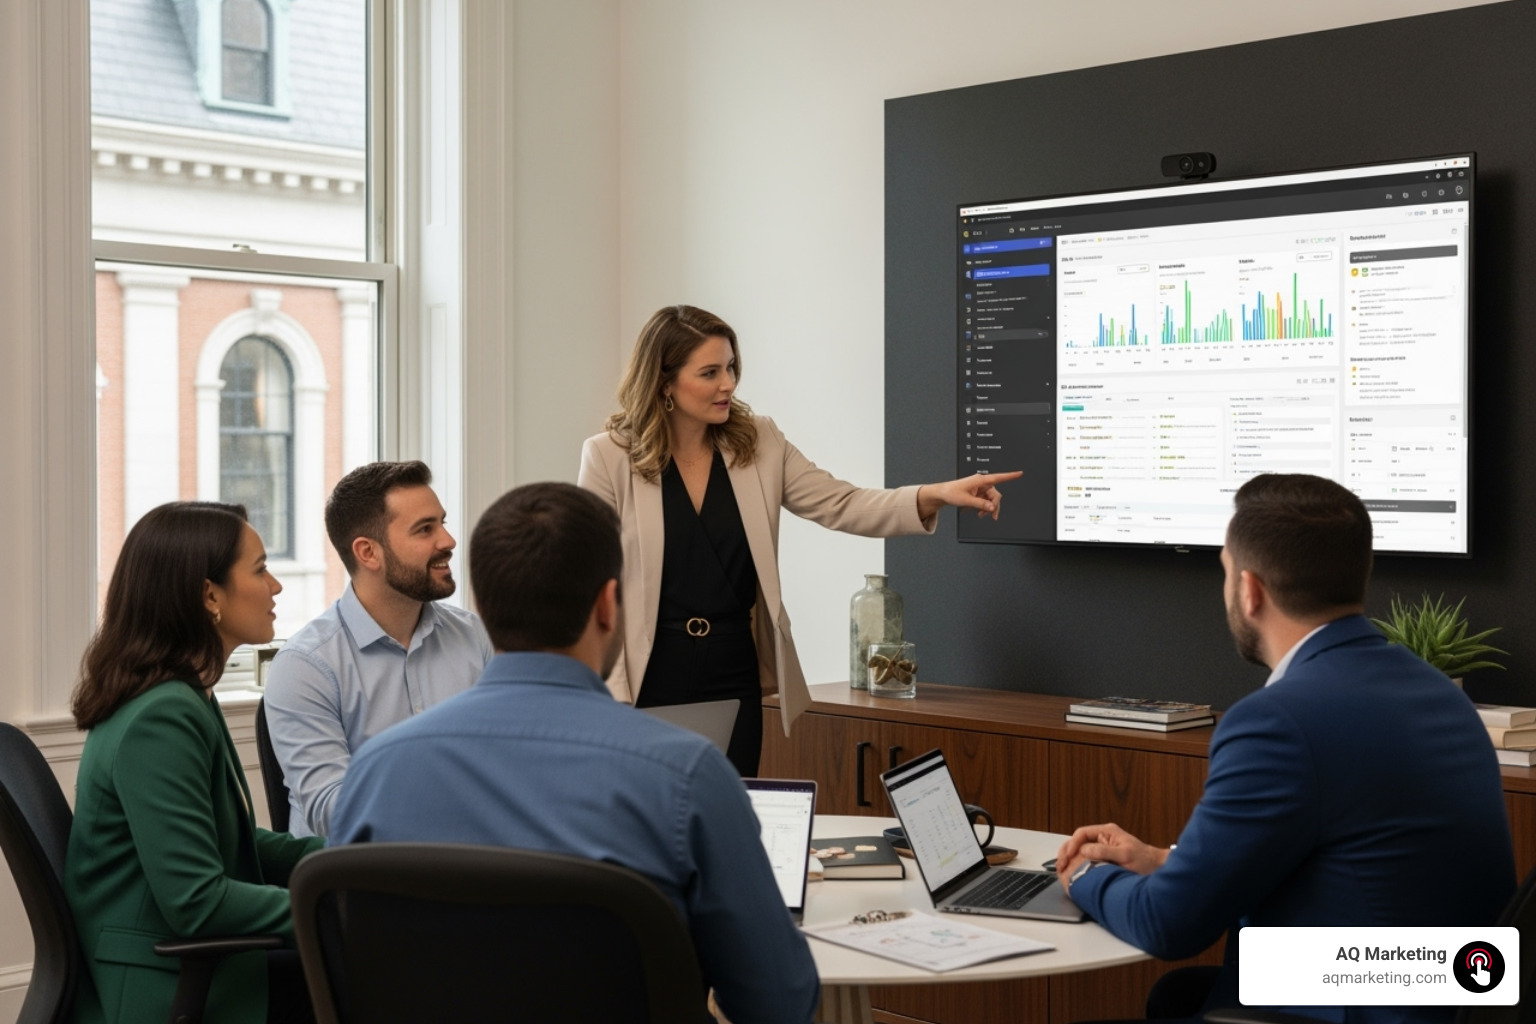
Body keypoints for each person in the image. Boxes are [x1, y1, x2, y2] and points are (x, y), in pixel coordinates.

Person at [329, 481, 821, 1024]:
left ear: (484, 609)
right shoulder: (687, 775)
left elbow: (351, 967)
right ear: (608, 605)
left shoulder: (375, 773)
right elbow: (779, 1001)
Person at [1055, 474, 1515, 1024]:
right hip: (1436, 987)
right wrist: (1162, 862)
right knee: (1177, 996)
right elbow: (1339, 858)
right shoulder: (1438, 693)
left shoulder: (1277, 723)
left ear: (1249, 590)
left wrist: (1083, 876)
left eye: (1223, 573)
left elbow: (1167, 926)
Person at [579, 303, 1022, 774]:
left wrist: (936, 495)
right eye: (709, 372)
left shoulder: (759, 441)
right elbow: (586, 579)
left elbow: (842, 503)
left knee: (730, 813)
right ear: (664, 382)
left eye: (730, 367)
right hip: (651, 670)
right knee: (647, 816)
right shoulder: (609, 457)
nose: (728, 383)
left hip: (732, 666)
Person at [65, 502, 323, 1024]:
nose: (275, 587)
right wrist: (339, 904)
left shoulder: (182, 693)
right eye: (260, 570)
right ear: (209, 595)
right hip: (162, 991)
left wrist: (343, 861)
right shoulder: (161, 716)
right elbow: (197, 901)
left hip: (186, 970)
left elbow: (239, 842)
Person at [263, 461, 492, 837]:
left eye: (442, 523)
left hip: (462, 869)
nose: (448, 541)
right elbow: (332, 812)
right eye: (425, 529)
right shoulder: (305, 665)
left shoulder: (472, 636)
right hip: (358, 882)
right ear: (368, 553)